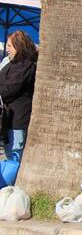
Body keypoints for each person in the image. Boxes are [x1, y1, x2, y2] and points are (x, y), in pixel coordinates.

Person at [0, 31, 37, 162]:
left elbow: (10, 88)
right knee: (10, 152)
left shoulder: (26, 65)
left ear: (18, 46)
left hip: (17, 119)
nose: (7, 49)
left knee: (14, 155)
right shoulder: (11, 63)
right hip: (8, 119)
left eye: (10, 46)